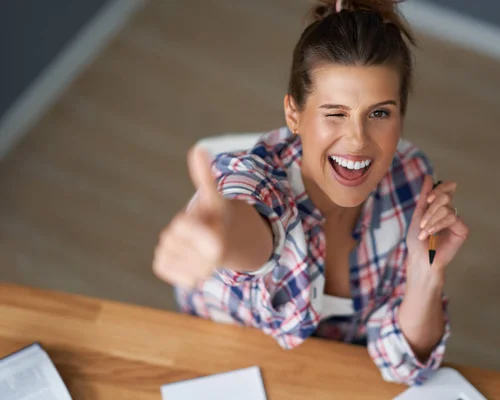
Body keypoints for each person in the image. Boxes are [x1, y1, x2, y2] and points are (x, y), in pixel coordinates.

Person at [153, 0, 469, 386]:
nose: (357, 140)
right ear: (294, 114)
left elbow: (404, 366)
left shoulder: (410, 181)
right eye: (335, 113)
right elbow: (251, 213)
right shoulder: (259, 181)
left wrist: (426, 274)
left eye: (380, 113)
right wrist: (220, 235)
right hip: (219, 369)